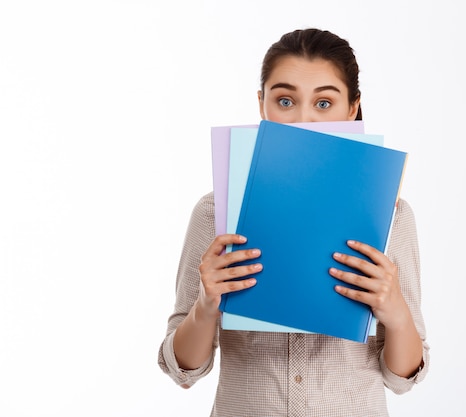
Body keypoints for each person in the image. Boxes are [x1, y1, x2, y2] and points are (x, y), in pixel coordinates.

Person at [158, 28, 429, 416]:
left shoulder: (392, 215)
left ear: (352, 108)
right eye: (285, 100)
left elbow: (402, 377)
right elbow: (182, 369)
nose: (303, 119)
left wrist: (396, 312)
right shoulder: (215, 212)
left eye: (324, 103)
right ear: (262, 104)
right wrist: (205, 306)